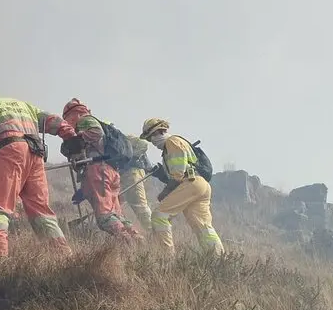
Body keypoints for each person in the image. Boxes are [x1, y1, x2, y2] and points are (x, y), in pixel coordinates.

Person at [0, 84, 75, 257]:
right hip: (35, 155)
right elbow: (52, 120)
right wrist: (68, 134)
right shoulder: (21, 105)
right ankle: (64, 257)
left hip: (9, 152)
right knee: (41, 212)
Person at [59, 98, 140, 242]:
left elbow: (96, 132)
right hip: (110, 171)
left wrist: (75, 140)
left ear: (75, 114)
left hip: (98, 170)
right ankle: (138, 240)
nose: (68, 123)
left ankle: (128, 244)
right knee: (116, 214)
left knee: (104, 217)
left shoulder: (84, 120)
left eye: (67, 119)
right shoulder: (89, 121)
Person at [140, 117, 224, 255]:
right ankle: (218, 258)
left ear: (159, 132)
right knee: (202, 225)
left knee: (159, 215)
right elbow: (175, 174)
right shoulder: (173, 145)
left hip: (191, 183)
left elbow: (178, 174)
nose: (152, 142)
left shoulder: (172, 142)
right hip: (200, 185)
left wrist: (165, 193)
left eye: (151, 137)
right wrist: (158, 171)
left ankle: (166, 258)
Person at [120, 133, 155, 232]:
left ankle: (154, 233)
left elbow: (143, 143)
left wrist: (132, 159)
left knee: (139, 204)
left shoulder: (122, 137)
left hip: (132, 173)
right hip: (124, 175)